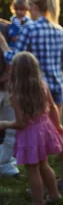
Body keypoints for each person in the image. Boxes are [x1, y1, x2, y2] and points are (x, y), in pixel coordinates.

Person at [4, 0, 63, 189]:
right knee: (58, 131)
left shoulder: (30, 29)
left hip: (35, 90)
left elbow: (16, 58)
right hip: (56, 88)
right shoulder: (59, 29)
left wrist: (2, 45)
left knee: (34, 134)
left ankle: (41, 181)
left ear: (33, 7)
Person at [0, 51, 63, 205]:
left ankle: (38, 202)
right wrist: (58, 125)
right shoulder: (43, 86)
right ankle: (55, 195)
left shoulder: (15, 95)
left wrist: (4, 124)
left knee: (33, 171)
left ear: (15, 71)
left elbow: (21, 123)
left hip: (29, 135)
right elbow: (53, 107)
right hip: (44, 129)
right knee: (44, 165)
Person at [0, 33, 19, 178]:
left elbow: (11, 61)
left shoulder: (7, 28)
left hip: (6, 88)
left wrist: (7, 74)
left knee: (11, 130)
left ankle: (7, 164)